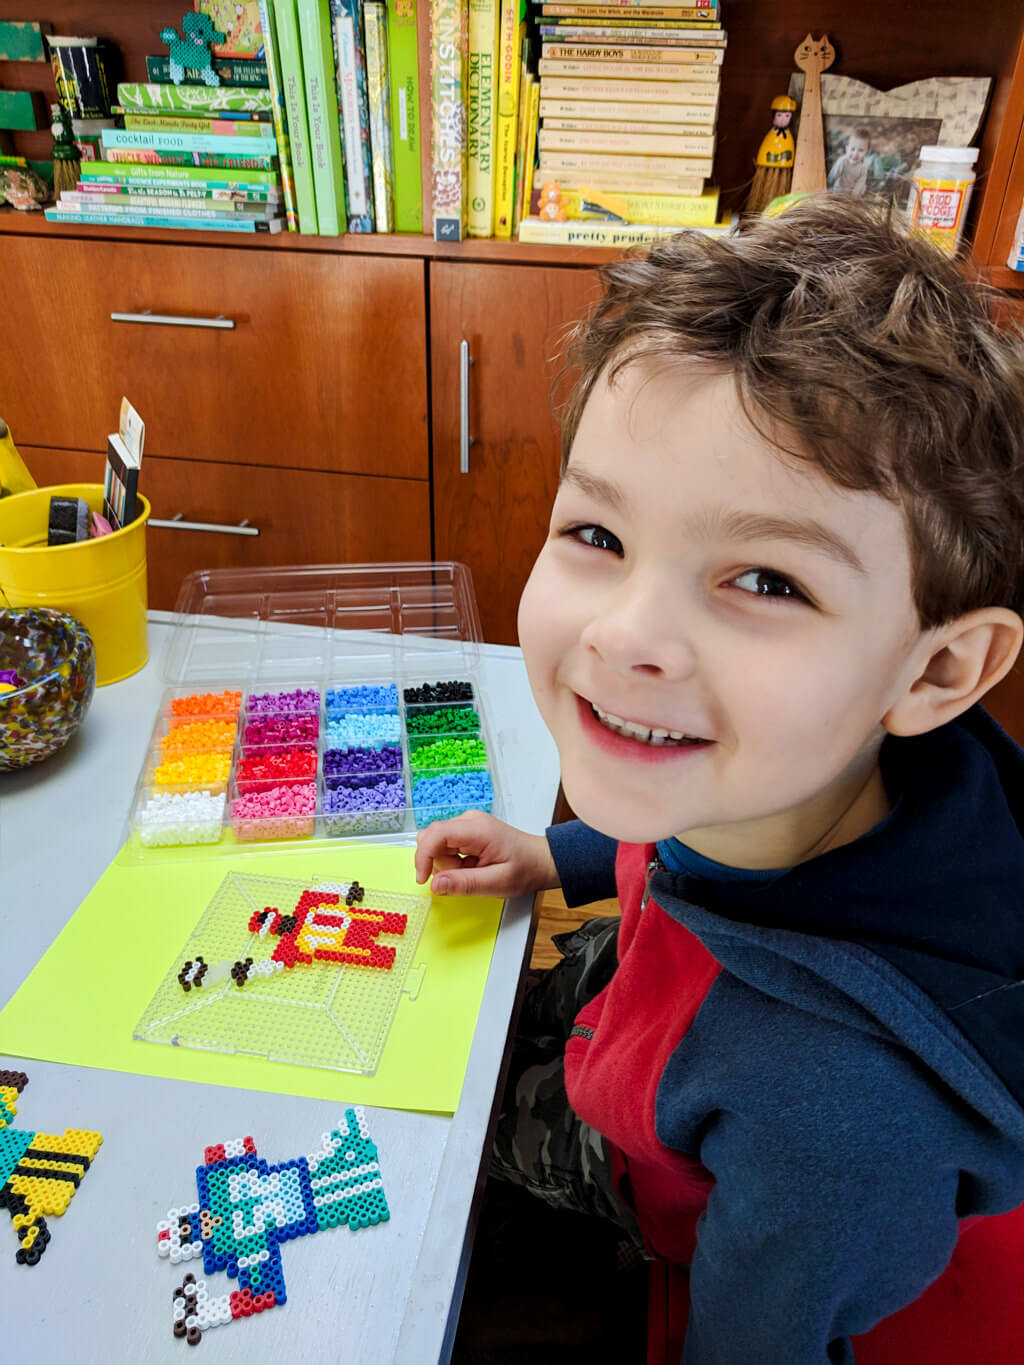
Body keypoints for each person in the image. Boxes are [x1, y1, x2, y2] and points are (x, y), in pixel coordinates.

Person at [415, 195, 1024, 1362]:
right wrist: (555, 856)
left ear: (938, 668)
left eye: (765, 582)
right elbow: (668, 834)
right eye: (598, 536)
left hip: (683, 1159)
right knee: (483, 1012)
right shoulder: (771, 772)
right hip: (670, 970)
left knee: (463, 1115)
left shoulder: (833, 1123)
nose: (625, 634)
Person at [827, 126, 871, 196]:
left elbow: (860, 182)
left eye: (861, 150)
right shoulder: (843, 161)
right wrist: (828, 186)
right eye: (852, 149)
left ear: (867, 152)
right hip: (840, 188)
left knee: (863, 187)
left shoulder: (863, 166)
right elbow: (834, 175)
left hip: (853, 190)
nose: (855, 153)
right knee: (836, 193)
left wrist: (854, 195)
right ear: (847, 148)